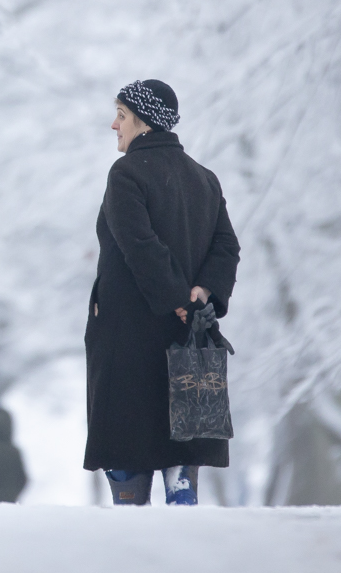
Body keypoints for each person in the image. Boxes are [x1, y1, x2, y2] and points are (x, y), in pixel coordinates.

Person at [84, 79, 240, 506]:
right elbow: (227, 247)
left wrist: (178, 301)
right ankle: (181, 504)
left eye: (120, 115)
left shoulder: (126, 174)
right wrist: (200, 294)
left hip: (129, 343)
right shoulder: (205, 179)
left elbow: (140, 245)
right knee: (180, 441)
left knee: (128, 455)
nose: (113, 124)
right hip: (186, 344)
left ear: (144, 122)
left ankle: (138, 534)